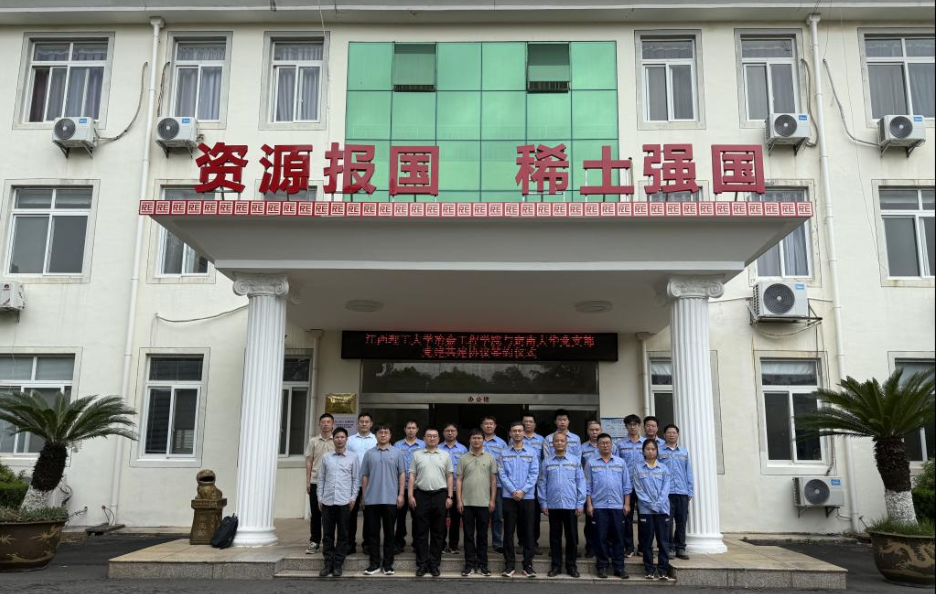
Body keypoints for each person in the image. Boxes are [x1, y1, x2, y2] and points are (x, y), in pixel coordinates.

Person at [360, 424, 406, 576]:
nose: (383, 435)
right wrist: (364, 496)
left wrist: (401, 494)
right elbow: (365, 476)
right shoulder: (369, 454)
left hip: (390, 499)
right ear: (376, 435)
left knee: (389, 533)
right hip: (372, 499)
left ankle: (388, 565)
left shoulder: (397, 453)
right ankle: (374, 564)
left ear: (390, 435)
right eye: (380, 432)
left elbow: (402, 474)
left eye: (386, 432)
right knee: (372, 533)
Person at [538, 432, 585, 578]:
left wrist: (580, 503)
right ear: (552, 444)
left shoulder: (574, 461)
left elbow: (581, 482)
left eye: (562, 441)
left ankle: (571, 566)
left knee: (571, 537)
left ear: (566, 443)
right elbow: (542, 483)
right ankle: (556, 566)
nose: (559, 443)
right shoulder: (547, 462)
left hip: (571, 505)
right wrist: (543, 502)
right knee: (555, 537)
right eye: (556, 441)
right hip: (553, 505)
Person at [408, 427, 454, 577]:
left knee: (438, 532)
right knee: (421, 532)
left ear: (439, 439)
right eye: (429, 436)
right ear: (424, 438)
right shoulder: (416, 454)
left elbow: (449, 476)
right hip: (421, 495)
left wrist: (450, 496)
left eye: (435, 436)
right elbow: (412, 476)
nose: (432, 438)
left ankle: (434, 564)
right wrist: (410, 495)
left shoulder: (445, 455)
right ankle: (422, 564)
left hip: (440, 495)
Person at [585, 433, 630, 579]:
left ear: (612, 445)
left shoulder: (620, 462)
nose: (605, 445)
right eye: (602, 443)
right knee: (600, 538)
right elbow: (587, 486)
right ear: (597, 445)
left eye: (608, 443)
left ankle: (619, 567)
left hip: (617, 506)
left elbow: (626, 485)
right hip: (599, 506)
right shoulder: (591, 463)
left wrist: (627, 504)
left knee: (618, 538)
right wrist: (589, 504)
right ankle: (602, 566)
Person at [317, 427, 360, 578]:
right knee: (327, 535)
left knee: (343, 535)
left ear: (346, 439)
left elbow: (356, 479)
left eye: (342, 437)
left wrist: (353, 498)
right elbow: (321, 479)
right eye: (337, 437)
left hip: (344, 502)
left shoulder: (353, 457)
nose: (340, 440)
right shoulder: (326, 457)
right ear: (333, 439)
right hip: (327, 501)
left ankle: (338, 565)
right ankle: (327, 564)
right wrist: (320, 498)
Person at [499, 421, 540, 578]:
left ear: (524, 433)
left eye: (519, 431)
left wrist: (522, 491)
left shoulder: (532, 452)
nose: (517, 433)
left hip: (527, 497)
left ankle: (527, 565)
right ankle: (509, 565)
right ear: (510, 433)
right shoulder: (504, 453)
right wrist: (513, 491)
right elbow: (502, 474)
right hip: (509, 497)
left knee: (528, 531)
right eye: (514, 431)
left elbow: (534, 474)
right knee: (508, 532)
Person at [456, 428, 497, 577]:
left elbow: (493, 480)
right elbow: (459, 480)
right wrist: (459, 500)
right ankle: (469, 565)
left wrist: (492, 500)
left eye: (479, 438)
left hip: (484, 503)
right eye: (474, 438)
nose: (476, 440)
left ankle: (483, 565)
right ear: (470, 440)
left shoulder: (490, 458)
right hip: (467, 503)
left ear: (483, 440)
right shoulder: (463, 458)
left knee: (482, 536)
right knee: (468, 535)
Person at [633, 438, 673, 581]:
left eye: (653, 449)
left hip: (662, 511)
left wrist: (658, 504)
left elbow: (666, 488)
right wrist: (652, 505)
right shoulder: (638, 468)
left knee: (663, 542)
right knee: (647, 542)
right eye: (648, 449)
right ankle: (649, 569)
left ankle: (663, 570)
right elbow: (639, 489)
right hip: (646, 511)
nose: (650, 451)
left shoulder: (664, 468)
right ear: (643, 451)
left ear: (657, 451)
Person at [345, 412, 378, 556]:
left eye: (367, 421)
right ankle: (349, 543)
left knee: (369, 515)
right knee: (350, 515)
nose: (364, 424)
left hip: (371, 483)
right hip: (352, 483)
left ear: (371, 424)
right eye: (361, 421)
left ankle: (367, 544)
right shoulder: (350, 440)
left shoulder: (376, 440)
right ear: (357, 423)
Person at [660, 424, 693, 560]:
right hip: (666, 493)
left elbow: (688, 472)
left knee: (681, 521)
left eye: (674, 432)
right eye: (669, 432)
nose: (671, 435)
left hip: (682, 492)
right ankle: (670, 547)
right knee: (667, 522)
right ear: (664, 435)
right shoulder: (659, 451)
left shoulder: (684, 452)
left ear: (678, 435)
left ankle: (680, 547)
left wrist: (690, 491)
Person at [304, 412, 335, 555]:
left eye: (328, 422)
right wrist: (308, 481)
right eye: (323, 422)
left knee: (331, 514)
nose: (326, 424)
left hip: (332, 482)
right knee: (316, 513)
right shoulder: (313, 441)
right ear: (319, 424)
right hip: (316, 481)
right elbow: (309, 461)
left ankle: (329, 542)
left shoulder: (337, 440)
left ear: (333, 424)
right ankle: (314, 541)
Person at [614, 414, 644, 558]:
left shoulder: (646, 443)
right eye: (629, 424)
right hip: (626, 487)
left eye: (635, 424)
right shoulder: (619, 445)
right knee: (627, 518)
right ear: (626, 426)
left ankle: (643, 547)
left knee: (644, 517)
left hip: (643, 487)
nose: (632, 427)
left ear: (639, 426)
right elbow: (616, 465)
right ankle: (629, 547)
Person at [393, 420, 425, 554]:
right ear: (405, 429)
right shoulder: (397, 445)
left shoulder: (423, 445)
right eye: (408, 428)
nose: (411, 430)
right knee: (399, 516)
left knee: (417, 517)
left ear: (417, 429)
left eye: (413, 428)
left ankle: (417, 543)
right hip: (400, 486)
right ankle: (399, 543)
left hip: (417, 487)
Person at [480, 415, 507, 553]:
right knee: (481, 516)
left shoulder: (502, 444)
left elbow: (506, 464)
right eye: (486, 423)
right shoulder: (477, 440)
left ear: (495, 426)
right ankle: (482, 542)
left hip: (498, 485)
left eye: (491, 423)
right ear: (482, 426)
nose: (489, 426)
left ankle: (497, 543)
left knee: (497, 515)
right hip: (480, 484)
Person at [440, 423, 468, 554]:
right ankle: (440, 544)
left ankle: (453, 545)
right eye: (447, 430)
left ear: (456, 433)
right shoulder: (438, 447)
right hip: (441, 488)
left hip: (458, 489)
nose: (450, 433)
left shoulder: (463, 449)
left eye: (453, 430)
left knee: (456, 518)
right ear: (443, 433)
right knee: (440, 518)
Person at [521, 413, 544, 553]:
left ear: (534, 424)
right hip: (519, 483)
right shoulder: (515, 438)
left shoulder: (541, 439)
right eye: (525, 421)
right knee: (520, 515)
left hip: (535, 483)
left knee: (534, 514)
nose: (527, 424)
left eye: (530, 421)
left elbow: (544, 459)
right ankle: (522, 542)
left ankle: (534, 542)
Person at [580, 419, 602, 558]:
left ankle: (604, 546)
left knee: (605, 519)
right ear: (588, 431)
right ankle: (590, 547)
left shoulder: (610, 446)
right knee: (590, 520)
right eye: (592, 430)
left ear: (601, 430)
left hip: (604, 487)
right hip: (588, 487)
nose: (594, 432)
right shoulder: (582, 448)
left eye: (597, 430)